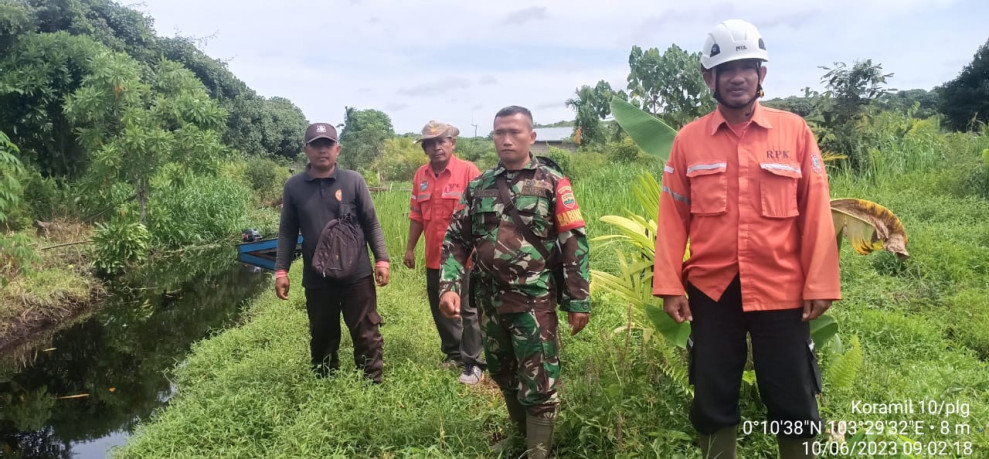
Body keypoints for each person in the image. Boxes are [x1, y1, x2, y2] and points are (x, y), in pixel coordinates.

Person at [652, 19, 841, 459]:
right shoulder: (688, 140)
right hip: (712, 288)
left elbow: (815, 211)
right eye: (726, 68)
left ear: (762, 75)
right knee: (713, 393)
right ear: (708, 78)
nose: (738, 77)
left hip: (782, 286)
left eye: (747, 67)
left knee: (793, 391)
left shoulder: (794, 132)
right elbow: (673, 216)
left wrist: (821, 283)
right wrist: (669, 284)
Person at [438, 106, 590, 459]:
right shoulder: (479, 186)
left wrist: (578, 299)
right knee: (504, 374)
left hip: (534, 302)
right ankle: (522, 437)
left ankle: (538, 451)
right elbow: (457, 240)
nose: (506, 139)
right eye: (499, 133)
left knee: (539, 380)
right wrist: (448, 285)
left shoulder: (553, 183)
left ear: (531, 137)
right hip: (490, 302)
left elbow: (574, 241)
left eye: (514, 132)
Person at [274, 122, 390, 383]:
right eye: (316, 145)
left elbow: (371, 222)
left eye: (327, 145)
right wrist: (281, 270)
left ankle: (371, 381)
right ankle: (325, 381)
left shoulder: (353, 180)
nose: (322, 151)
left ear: (337, 149)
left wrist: (382, 259)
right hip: (317, 275)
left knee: (366, 330)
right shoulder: (294, 186)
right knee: (322, 332)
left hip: (357, 273)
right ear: (306, 150)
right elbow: (287, 231)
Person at [403, 120, 485, 384]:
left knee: (469, 309)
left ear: (452, 143)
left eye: (441, 141)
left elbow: (483, 216)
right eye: (430, 143)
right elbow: (417, 215)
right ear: (425, 148)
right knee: (440, 308)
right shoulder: (420, 176)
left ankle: (475, 363)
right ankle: (453, 353)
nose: (436, 147)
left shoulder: (469, 171)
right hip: (434, 256)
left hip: (465, 258)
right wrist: (410, 248)